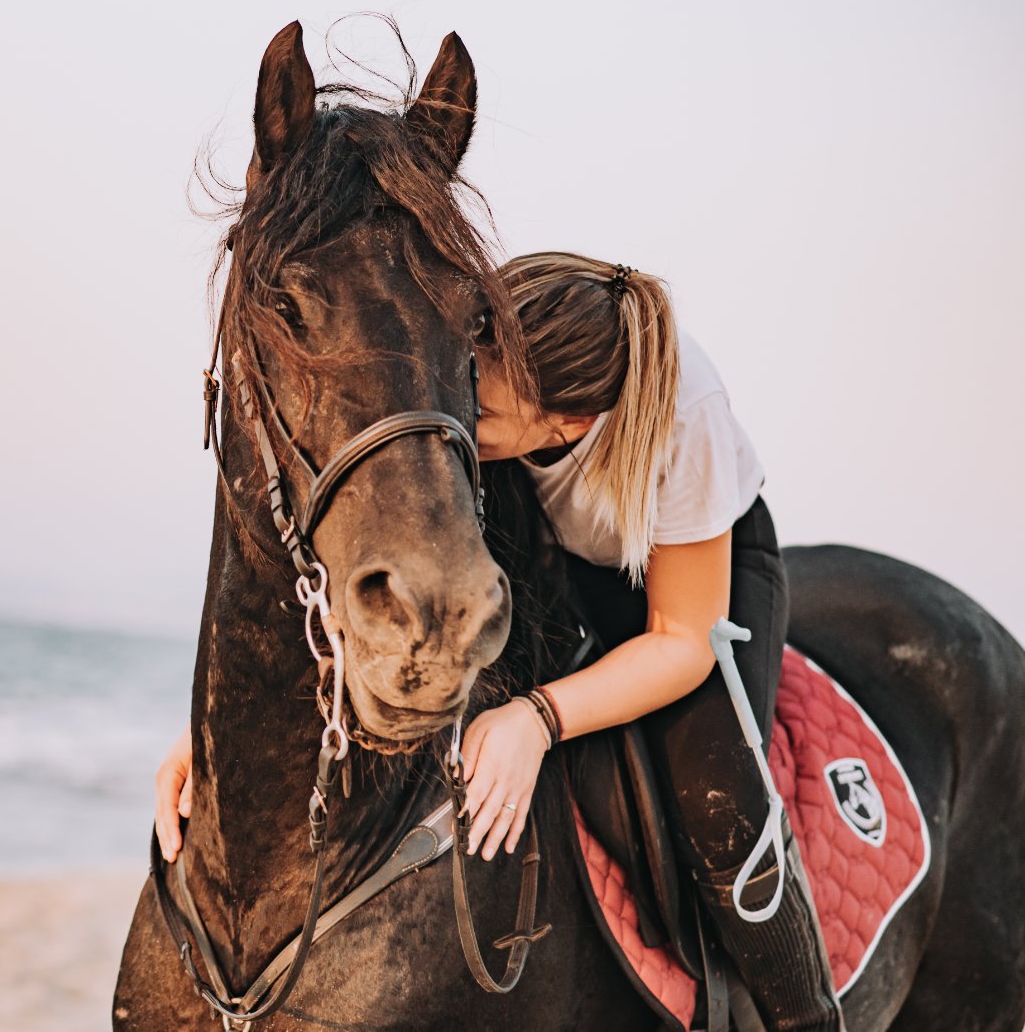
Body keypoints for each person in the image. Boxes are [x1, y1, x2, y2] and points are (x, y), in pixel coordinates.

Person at [154, 251, 842, 1030]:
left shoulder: (689, 416)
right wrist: (229, 735)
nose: (462, 420)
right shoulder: (473, 350)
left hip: (688, 575)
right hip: (544, 546)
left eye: (482, 417)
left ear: (566, 426)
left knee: (720, 804)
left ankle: (806, 1016)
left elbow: (680, 640)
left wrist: (537, 719)